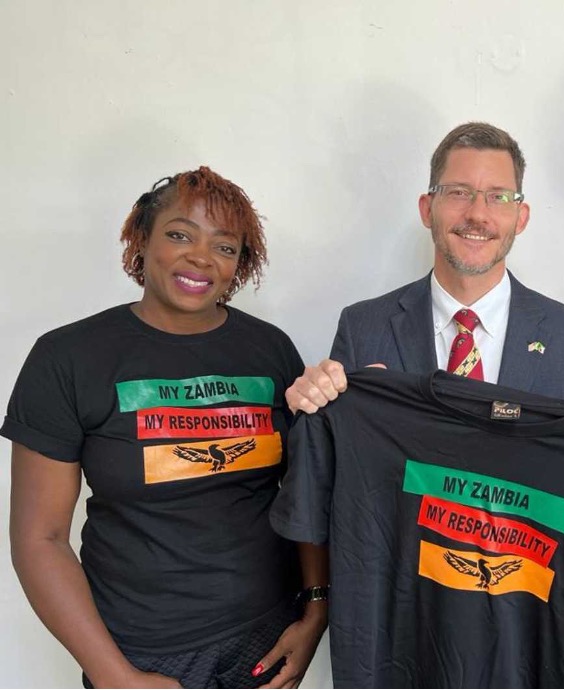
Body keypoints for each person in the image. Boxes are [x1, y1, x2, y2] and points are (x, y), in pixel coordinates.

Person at [3, 167, 327, 689]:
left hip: (266, 636)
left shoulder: (269, 349)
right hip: (142, 652)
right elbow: (39, 540)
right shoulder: (68, 357)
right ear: (142, 239)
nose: (201, 257)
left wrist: (315, 613)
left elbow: (304, 492)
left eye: (225, 247)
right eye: (180, 234)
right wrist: (116, 677)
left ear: (239, 265)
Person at [285, 121, 564, 499]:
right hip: (399, 582)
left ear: (521, 217)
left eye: (498, 197)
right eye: (458, 193)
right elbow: (330, 471)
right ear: (426, 208)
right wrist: (309, 402)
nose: (477, 214)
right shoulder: (363, 328)